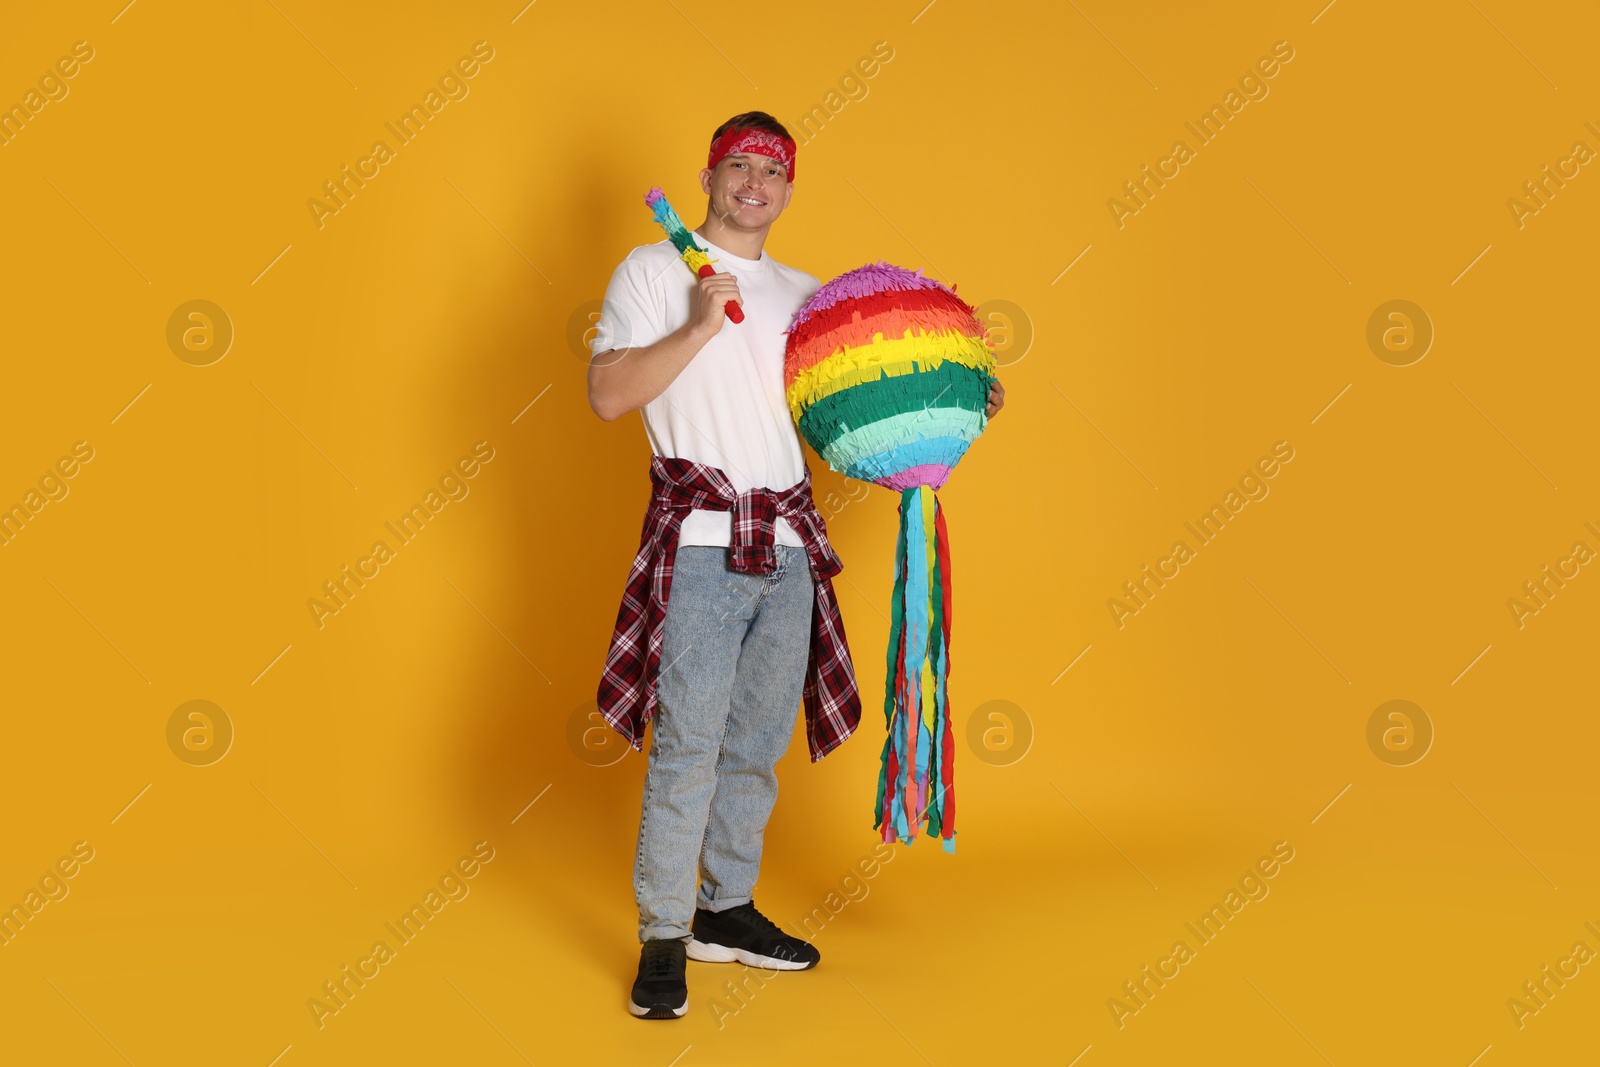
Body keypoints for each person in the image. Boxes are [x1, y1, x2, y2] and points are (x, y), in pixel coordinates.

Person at [587, 111, 1005, 1021]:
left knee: (756, 750)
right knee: (688, 746)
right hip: (700, 546)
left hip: (790, 550)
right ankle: (664, 937)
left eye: (771, 171)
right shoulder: (653, 270)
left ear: (787, 188)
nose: (753, 184)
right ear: (708, 175)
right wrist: (700, 326)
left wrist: (946, 401)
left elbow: (844, 419)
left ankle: (724, 911)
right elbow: (609, 397)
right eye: (737, 165)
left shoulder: (808, 295)